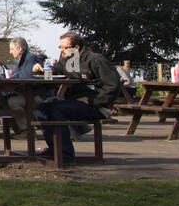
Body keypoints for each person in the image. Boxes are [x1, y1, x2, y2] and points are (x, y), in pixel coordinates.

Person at [33, 32, 120, 162]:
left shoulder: (96, 60)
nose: (62, 51)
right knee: (41, 108)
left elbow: (113, 86)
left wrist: (92, 101)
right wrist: (42, 69)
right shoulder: (67, 59)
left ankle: (65, 154)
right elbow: (57, 70)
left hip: (98, 106)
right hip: (74, 102)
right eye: (60, 47)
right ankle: (54, 149)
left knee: (57, 110)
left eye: (65, 47)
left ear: (77, 48)